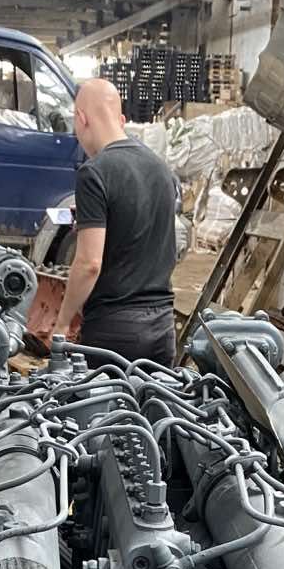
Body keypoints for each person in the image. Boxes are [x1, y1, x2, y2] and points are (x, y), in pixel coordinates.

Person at [53, 78, 178, 367]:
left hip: (114, 332)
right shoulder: (162, 170)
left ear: (81, 119)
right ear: (120, 120)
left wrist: (62, 322)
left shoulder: (94, 173)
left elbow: (89, 264)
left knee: (104, 400)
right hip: (163, 328)